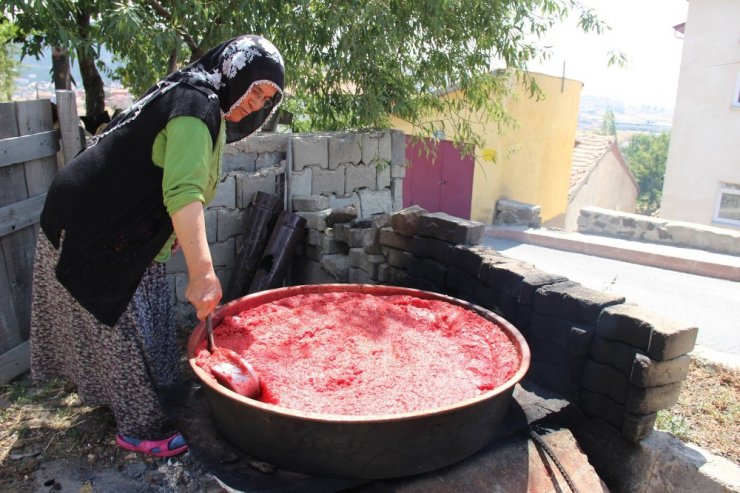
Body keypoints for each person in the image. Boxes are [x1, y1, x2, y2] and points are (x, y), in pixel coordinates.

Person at [30, 35, 285, 457]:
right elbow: (183, 191)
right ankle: (141, 428)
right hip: (93, 227)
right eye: (254, 87)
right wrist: (204, 273)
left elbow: (175, 183)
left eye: (266, 99)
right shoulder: (195, 106)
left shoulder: (202, 103)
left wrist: (179, 241)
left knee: (153, 324)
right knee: (125, 327)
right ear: (233, 69)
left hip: (115, 226)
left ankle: (154, 398)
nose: (255, 103)